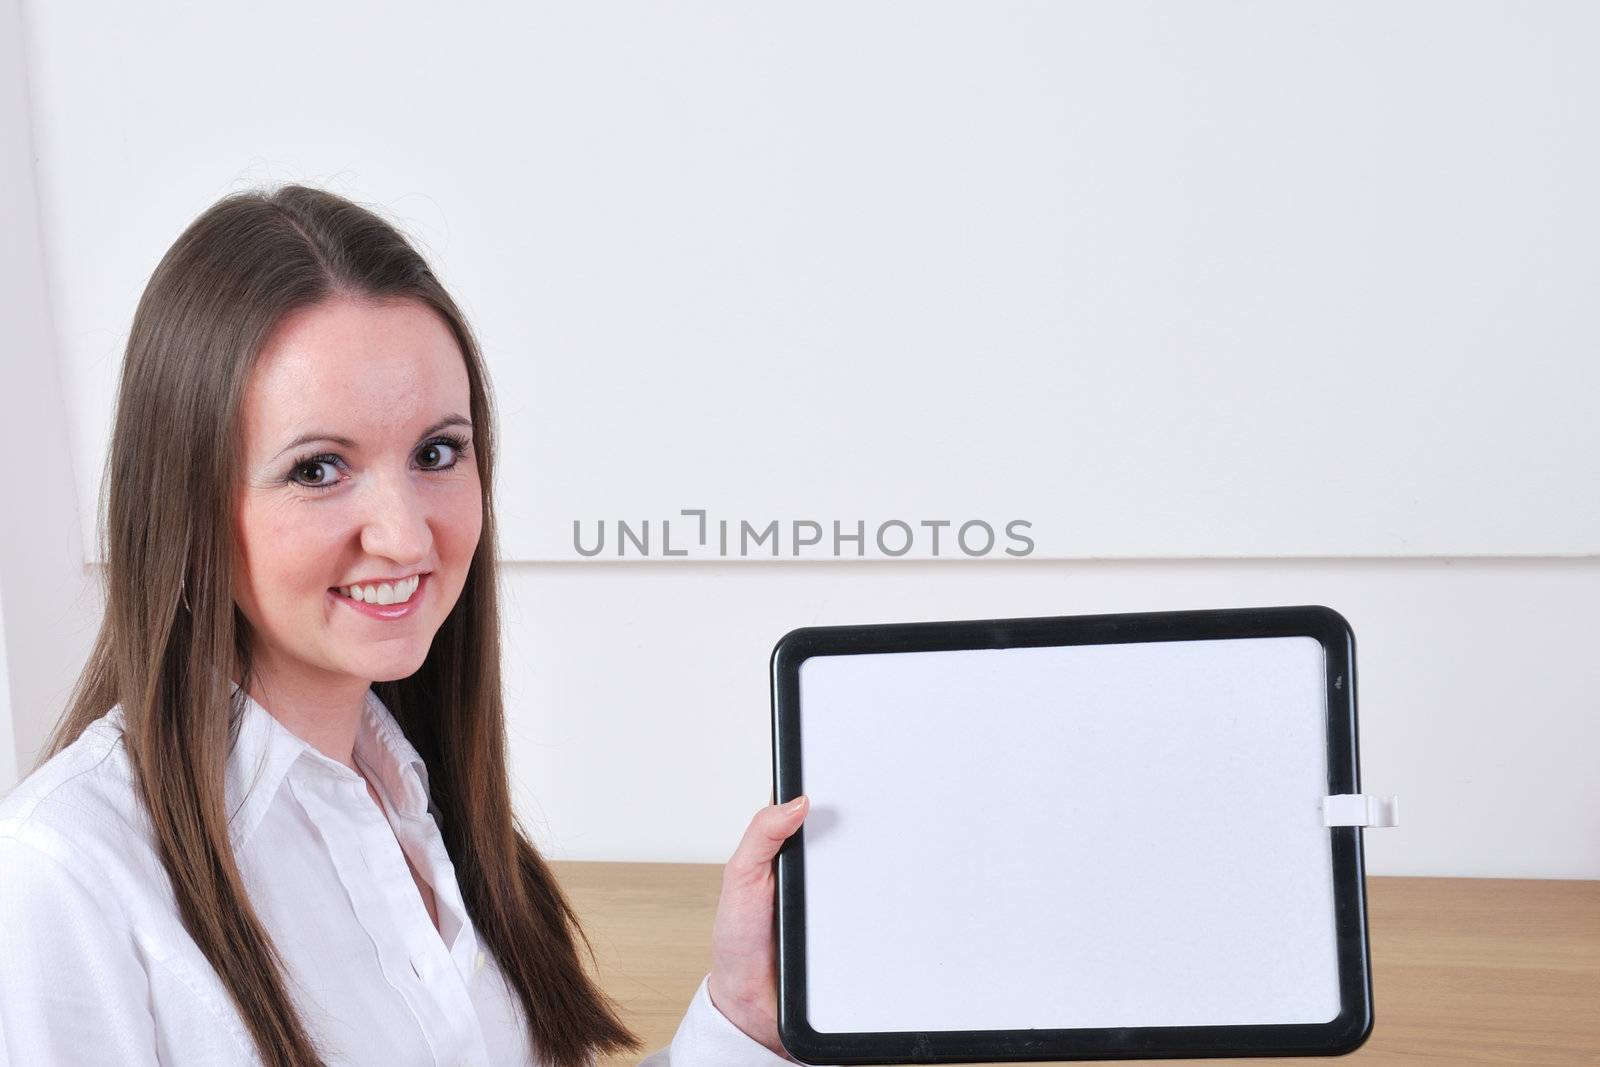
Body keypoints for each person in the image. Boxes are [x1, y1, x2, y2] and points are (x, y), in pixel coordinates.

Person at [0, 185, 822, 1066]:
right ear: (187, 502)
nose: (404, 533)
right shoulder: (65, 873)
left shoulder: (423, 795)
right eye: (319, 468)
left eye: (437, 453)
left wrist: (740, 1016)